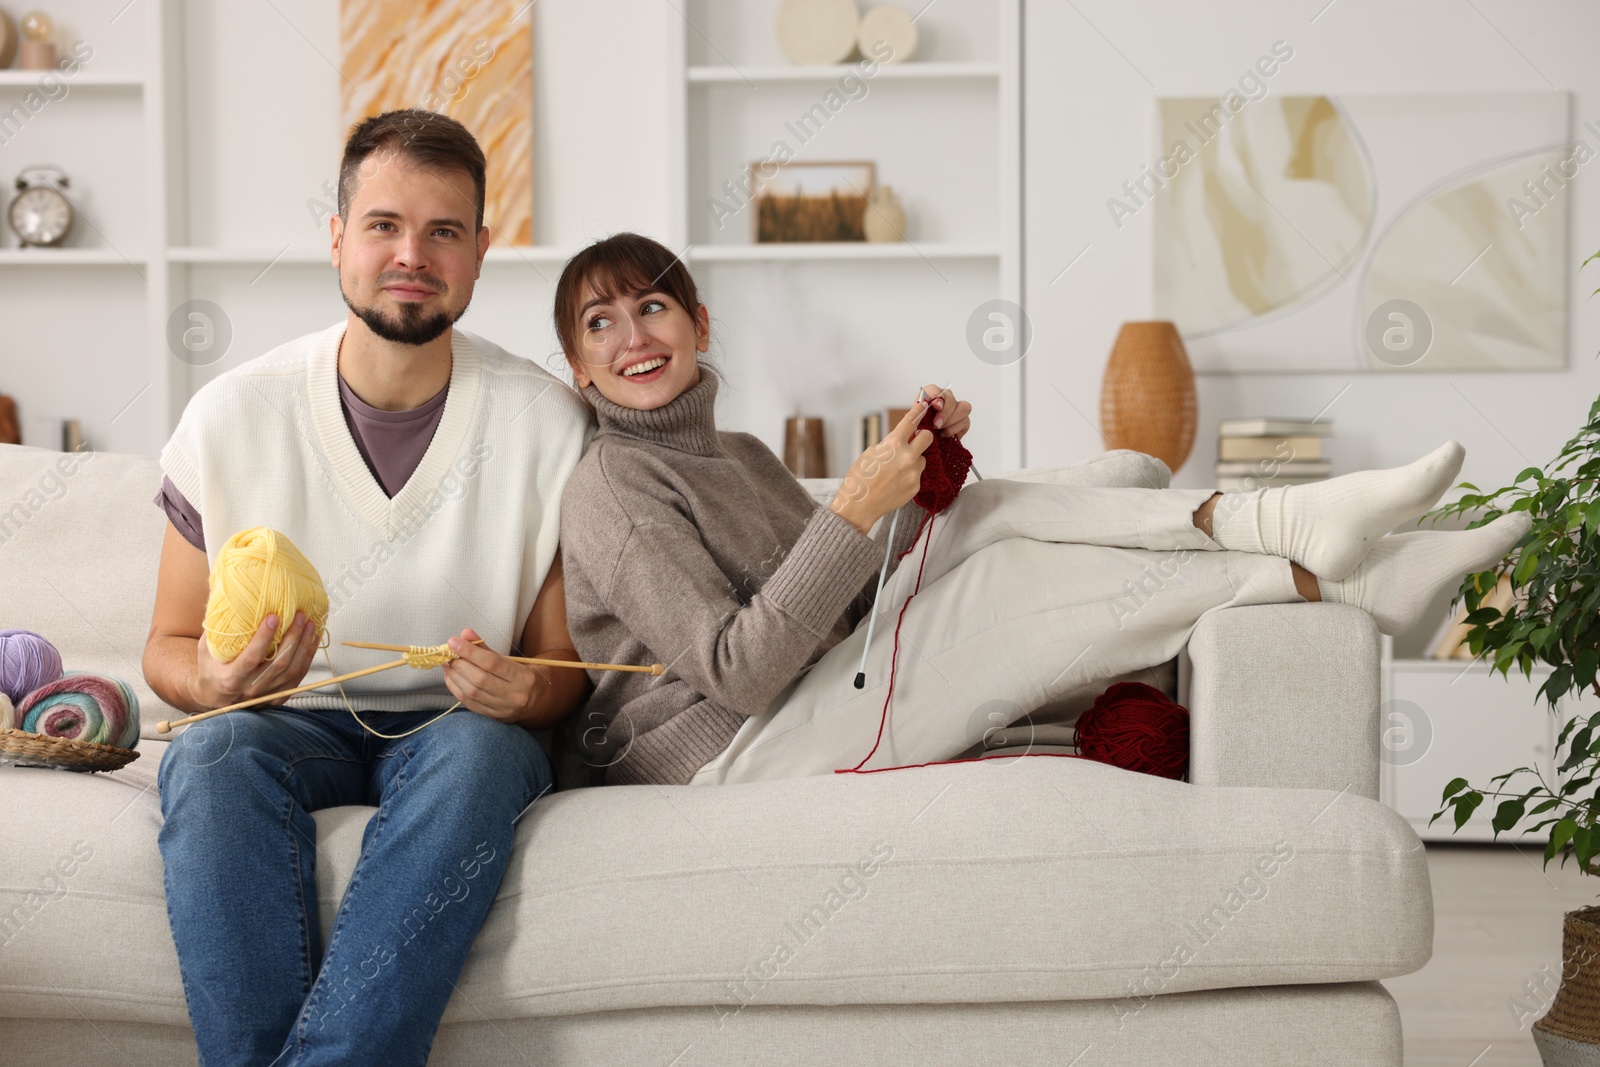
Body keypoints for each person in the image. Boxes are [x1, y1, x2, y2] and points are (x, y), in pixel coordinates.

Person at [552, 232, 1532, 787]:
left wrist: (914, 481)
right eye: (600, 323)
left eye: (651, 307)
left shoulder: (739, 453)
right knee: (1006, 571)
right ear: (576, 363)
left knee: (1013, 504)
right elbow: (743, 665)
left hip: (812, 687)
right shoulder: (613, 487)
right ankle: (1344, 566)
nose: (632, 336)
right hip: (732, 751)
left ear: (696, 324)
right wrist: (852, 509)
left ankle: (1295, 530)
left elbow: (839, 612)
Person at [141, 109, 594, 1066]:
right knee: (211, 755)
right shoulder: (231, 415)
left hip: (454, 728)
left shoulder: (546, 422)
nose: (411, 255)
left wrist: (529, 689)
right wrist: (213, 685)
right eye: (384, 225)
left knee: (483, 754)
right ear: (338, 238)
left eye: (443, 231)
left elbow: (564, 670)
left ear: (479, 253)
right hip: (279, 718)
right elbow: (166, 649)